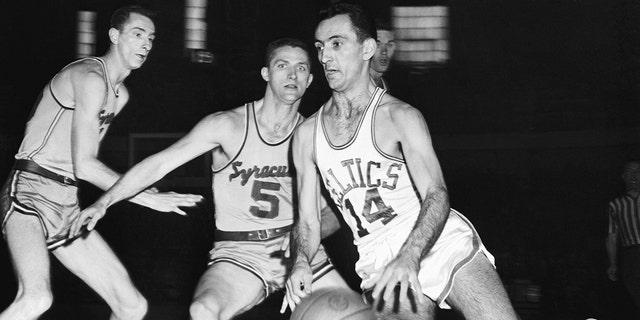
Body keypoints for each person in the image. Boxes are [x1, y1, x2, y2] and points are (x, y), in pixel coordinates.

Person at [72, 38, 351, 320]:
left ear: (310, 79)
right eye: (283, 66)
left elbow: (330, 217)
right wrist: (104, 202)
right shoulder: (227, 125)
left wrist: (296, 243)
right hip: (241, 255)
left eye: (301, 68)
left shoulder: (314, 138)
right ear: (266, 73)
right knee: (204, 311)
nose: (292, 75)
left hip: (301, 255)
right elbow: (158, 165)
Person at [285, 3, 518, 319]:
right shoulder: (306, 135)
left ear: (368, 48)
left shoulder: (400, 117)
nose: (325, 57)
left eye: (336, 44)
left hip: (435, 237)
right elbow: (310, 221)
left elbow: (437, 194)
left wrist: (410, 256)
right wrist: (300, 261)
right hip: (377, 256)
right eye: (320, 47)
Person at [0, 5, 203, 320]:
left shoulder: (119, 95)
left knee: (133, 306)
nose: (146, 44)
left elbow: (80, 167)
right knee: (36, 298)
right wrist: (148, 197)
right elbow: (85, 165)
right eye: (137, 35)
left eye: (151, 37)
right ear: (114, 36)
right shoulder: (90, 77)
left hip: (66, 203)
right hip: (30, 191)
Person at [606, 161, 640, 311]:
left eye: (638, 171)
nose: (634, 175)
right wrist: (612, 263)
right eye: (630, 172)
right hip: (630, 254)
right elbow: (612, 236)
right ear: (624, 176)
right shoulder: (616, 205)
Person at [369, 20, 395, 90]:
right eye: (378, 44)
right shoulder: (354, 86)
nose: (384, 52)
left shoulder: (391, 86)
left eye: (389, 45)